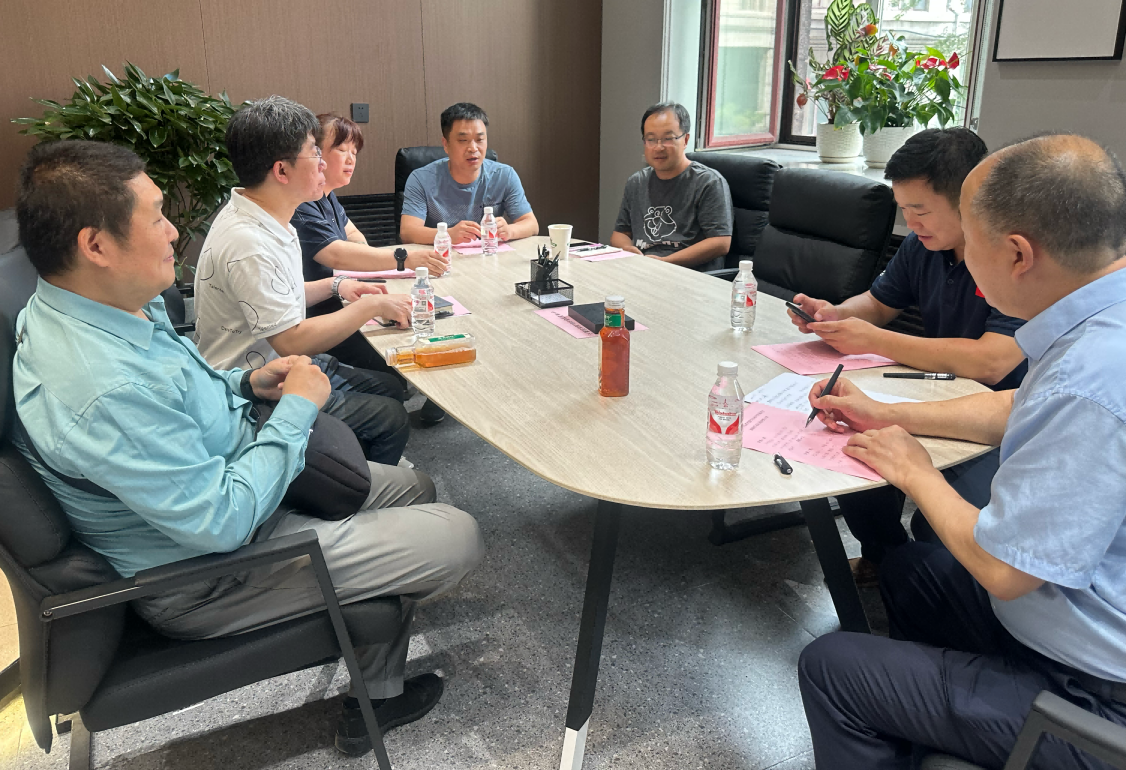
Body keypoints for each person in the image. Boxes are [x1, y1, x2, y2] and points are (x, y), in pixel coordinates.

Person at [12, 139, 485, 755]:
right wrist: (296, 410)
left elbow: (184, 389)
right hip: (211, 574)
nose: (173, 230)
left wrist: (246, 383)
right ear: (95, 246)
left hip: (235, 474)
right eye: (156, 217)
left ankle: (378, 671)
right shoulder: (101, 387)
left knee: (415, 486)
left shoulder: (97, 306)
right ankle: (373, 664)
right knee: (459, 535)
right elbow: (222, 521)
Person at [798, 134, 1126, 769]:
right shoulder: (1098, 319)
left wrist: (917, 473)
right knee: (911, 571)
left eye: (971, 243)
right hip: (1065, 622)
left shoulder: (1090, 377)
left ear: (1017, 253)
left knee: (831, 667)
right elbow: (1015, 406)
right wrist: (887, 413)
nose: (962, 261)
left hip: (1091, 695)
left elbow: (1006, 570)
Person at [788, 129, 1027, 582]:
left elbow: (993, 362)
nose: (911, 222)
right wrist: (834, 316)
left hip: (998, 420)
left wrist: (875, 340)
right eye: (904, 209)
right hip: (928, 392)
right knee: (854, 450)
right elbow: (878, 304)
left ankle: (932, 584)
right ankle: (888, 561)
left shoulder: (1008, 260)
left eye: (921, 210)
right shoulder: (922, 246)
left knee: (938, 530)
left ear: (969, 201)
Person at [194, 96, 412, 465]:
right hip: (255, 384)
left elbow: (278, 297)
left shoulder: (267, 213)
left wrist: (336, 286)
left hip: (282, 360)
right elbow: (291, 339)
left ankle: (348, 460)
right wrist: (371, 305)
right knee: (391, 418)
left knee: (391, 385)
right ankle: (355, 484)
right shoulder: (250, 243)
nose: (324, 163)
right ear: (282, 171)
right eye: (315, 153)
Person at [292, 112, 447, 425]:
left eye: (355, 152)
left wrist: (368, 262)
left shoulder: (326, 197)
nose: (351, 159)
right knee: (405, 332)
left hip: (339, 297)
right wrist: (402, 258)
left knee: (414, 313)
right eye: (341, 150)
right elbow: (335, 255)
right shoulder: (302, 202)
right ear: (314, 154)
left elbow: (353, 236)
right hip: (317, 316)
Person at [611, 102, 732, 270]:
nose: (658, 147)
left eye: (668, 138)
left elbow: (721, 242)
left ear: (685, 140)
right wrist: (627, 249)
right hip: (645, 268)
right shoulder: (637, 182)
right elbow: (620, 233)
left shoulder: (708, 182)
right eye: (651, 139)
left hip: (688, 274)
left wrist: (666, 262)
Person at [399, 102, 538, 245]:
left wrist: (510, 230)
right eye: (463, 140)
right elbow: (408, 232)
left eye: (480, 140)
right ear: (446, 144)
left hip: (488, 255)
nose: (473, 148)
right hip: (442, 255)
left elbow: (531, 224)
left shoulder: (504, 175)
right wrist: (448, 235)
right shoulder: (421, 179)